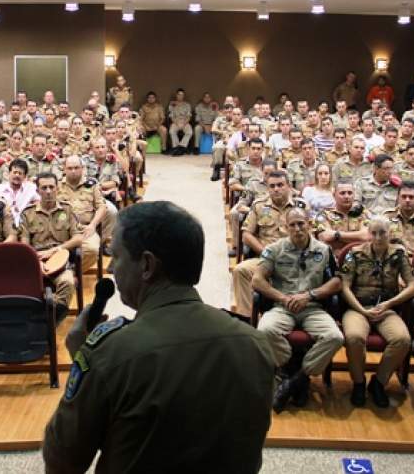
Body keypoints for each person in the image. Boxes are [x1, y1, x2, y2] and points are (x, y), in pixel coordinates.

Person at [42, 201, 274, 473]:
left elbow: (62, 462)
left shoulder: (111, 354)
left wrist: (84, 361)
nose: (111, 269)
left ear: (147, 265)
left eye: (116, 257)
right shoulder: (254, 344)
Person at [253, 207, 344, 412]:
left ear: (309, 224)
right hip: (282, 307)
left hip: (312, 307)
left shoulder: (324, 250)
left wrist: (310, 295)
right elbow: (257, 280)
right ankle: (293, 368)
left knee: (335, 337)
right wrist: (283, 298)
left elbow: (337, 282)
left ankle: (297, 377)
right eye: (292, 225)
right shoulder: (274, 249)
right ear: (285, 228)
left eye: (301, 223)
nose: (297, 228)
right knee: (264, 330)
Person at [340, 217, 414, 407]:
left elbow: (413, 286)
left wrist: (390, 303)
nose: (378, 237)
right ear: (368, 234)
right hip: (358, 308)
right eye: (374, 233)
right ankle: (359, 383)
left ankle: (379, 382)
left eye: (382, 233)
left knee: (402, 340)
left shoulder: (398, 254)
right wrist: (361, 309)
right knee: (354, 337)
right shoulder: (355, 254)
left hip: (386, 308)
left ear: (390, 233)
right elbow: (344, 287)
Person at [231, 170, 302, 317]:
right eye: (272, 186)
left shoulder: (300, 207)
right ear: (267, 188)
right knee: (240, 270)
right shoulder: (259, 206)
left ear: (289, 186)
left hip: (296, 259)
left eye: (280, 185)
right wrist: (266, 253)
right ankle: (246, 318)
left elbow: (312, 236)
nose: (276, 189)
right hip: (266, 259)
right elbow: (246, 235)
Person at [18, 173, 83, 321]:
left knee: (68, 282)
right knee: (21, 286)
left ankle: (50, 319)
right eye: (44, 188)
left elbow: (78, 238)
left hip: (61, 261)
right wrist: (35, 262)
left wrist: (56, 249)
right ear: (38, 190)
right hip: (36, 261)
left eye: (51, 187)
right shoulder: (28, 213)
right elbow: (24, 244)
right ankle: (45, 317)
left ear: (57, 188)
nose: (48, 191)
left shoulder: (67, 209)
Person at [57, 155, 108, 274]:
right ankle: (57, 273)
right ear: (64, 169)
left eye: (76, 168)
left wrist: (93, 225)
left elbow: (102, 207)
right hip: (61, 229)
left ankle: (71, 274)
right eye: (70, 168)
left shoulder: (92, 185)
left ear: (82, 168)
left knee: (92, 250)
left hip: (84, 229)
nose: (73, 171)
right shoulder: (57, 185)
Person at [0, 159, 40, 226]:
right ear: (9, 173)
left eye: (20, 173)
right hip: (3, 225)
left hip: (25, 226)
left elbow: (40, 202)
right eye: (14, 172)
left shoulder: (31, 188)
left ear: (25, 176)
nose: (17, 175)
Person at [167, 89, 194, 155]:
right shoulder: (172, 104)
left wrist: (184, 123)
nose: (180, 96)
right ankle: (176, 147)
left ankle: (181, 147)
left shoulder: (187, 105)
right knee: (172, 131)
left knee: (189, 132)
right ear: (176, 95)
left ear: (183, 96)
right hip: (175, 122)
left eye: (182, 95)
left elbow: (189, 116)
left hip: (185, 122)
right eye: (179, 95)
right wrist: (177, 123)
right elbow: (171, 116)